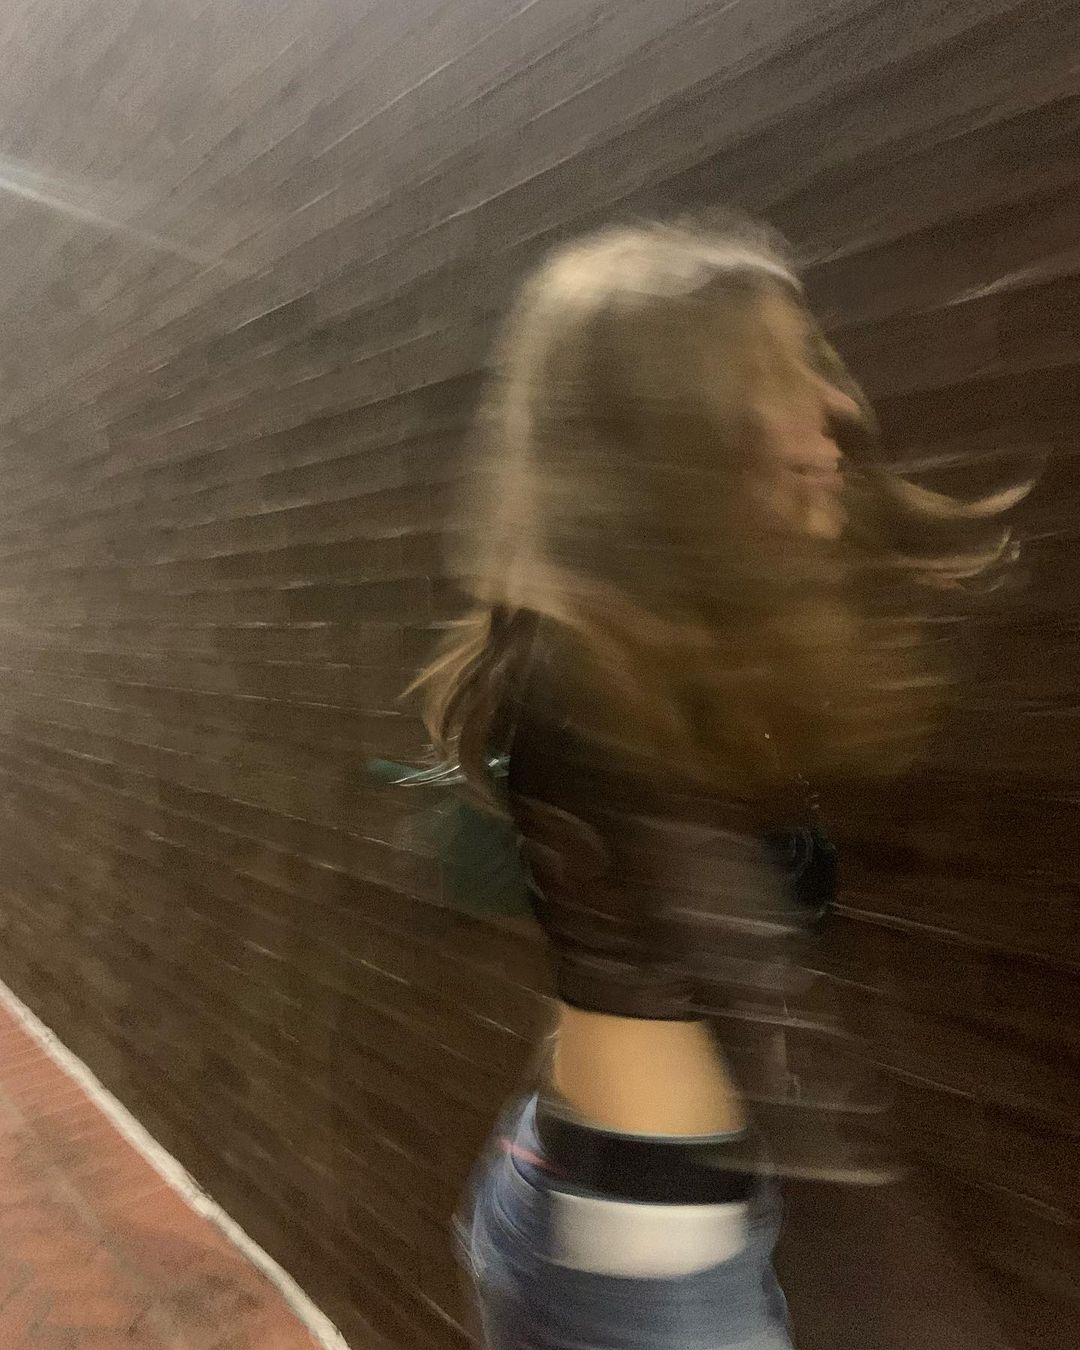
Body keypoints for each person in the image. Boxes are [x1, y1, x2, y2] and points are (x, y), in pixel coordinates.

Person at [407, 216, 1027, 1350]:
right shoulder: (586, 673)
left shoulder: (657, 652)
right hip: (645, 1262)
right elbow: (767, 1025)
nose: (831, 404)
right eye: (776, 374)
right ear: (672, 421)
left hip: (622, 1207)